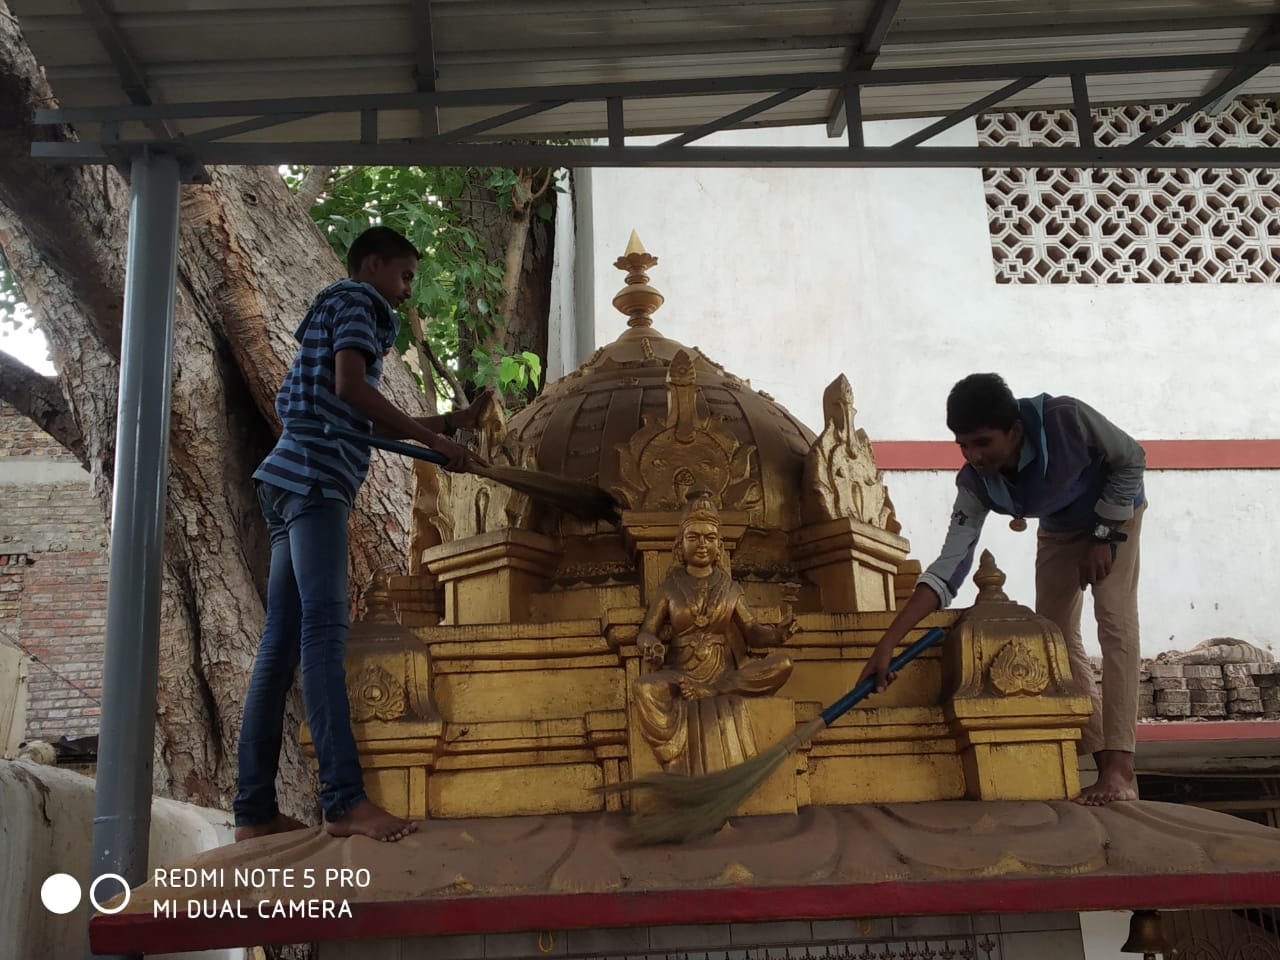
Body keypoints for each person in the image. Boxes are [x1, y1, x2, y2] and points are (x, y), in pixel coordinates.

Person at [235, 225, 489, 843]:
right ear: (372, 265)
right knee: (323, 634)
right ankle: (344, 801)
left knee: (280, 645)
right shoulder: (359, 302)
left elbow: (355, 415)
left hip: (288, 477)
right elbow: (352, 390)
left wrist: (449, 425)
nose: (406, 292)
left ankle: (253, 812)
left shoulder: (335, 307)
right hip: (316, 479)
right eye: (404, 276)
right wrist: (436, 444)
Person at [859, 373, 1146, 805]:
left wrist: (1103, 535)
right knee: (1055, 635)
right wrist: (888, 644)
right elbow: (949, 566)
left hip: (1115, 515)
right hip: (1059, 527)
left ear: (1015, 430)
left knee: (1114, 620)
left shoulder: (1065, 418)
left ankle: (1121, 771)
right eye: (963, 446)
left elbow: (1132, 458)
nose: (973, 456)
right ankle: (1104, 763)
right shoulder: (974, 484)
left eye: (983, 443)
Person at [633, 491, 797, 774]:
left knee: (783, 664)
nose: (702, 545)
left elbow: (752, 631)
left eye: (709, 538)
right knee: (643, 688)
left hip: (723, 675)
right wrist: (652, 645)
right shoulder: (670, 588)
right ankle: (671, 756)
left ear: (719, 546)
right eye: (694, 537)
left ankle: (710, 691)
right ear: (680, 545)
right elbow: (647, 630)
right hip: (680, 674)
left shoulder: (730, 588)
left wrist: (776, 635)